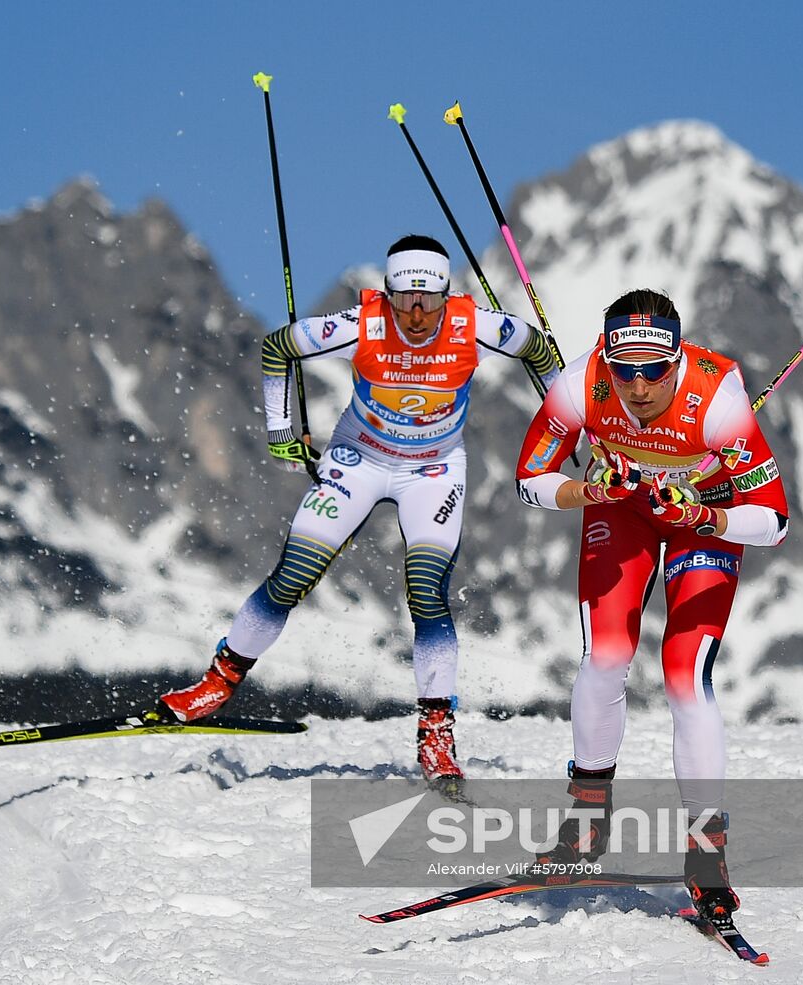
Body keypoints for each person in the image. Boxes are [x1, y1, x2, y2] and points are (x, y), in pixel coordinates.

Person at [159, 234, 560, 788]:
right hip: (359, 459)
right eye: (404, 300)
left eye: (430, 300)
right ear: (387, 292)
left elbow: (538, 350)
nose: (417, 315)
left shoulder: (476, 326)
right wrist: (281, 434)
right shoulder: (362, 324)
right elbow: (279, 347)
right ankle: (219, 682)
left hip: (434, 470)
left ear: (448, 294)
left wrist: (565, 427)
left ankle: (436, 733)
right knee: (291, 576)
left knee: (425, 591)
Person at [513, 288, 789, 927]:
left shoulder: (719, 399)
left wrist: (704, 513)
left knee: (685, 677)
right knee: (605, 658)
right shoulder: (580, 384)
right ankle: (586, 821)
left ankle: (706, 855)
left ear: (678, 361)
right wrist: (586, 488)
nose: (638, 386)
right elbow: (530, 479)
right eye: (624, 368)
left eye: (654, 370)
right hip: (621, 510)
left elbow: (773, 520)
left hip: (702, 519)